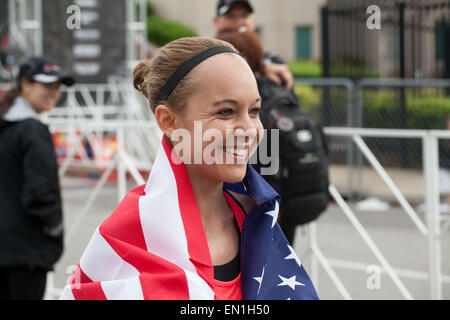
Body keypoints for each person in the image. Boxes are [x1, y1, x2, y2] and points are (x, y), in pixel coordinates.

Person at [60, 37, 318, 300]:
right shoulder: (125, 234)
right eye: (226, 112)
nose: (250, 130)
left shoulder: (257, 217)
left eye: (254, 110)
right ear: (168, 120)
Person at [0, 56, 74, 300]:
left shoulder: (8, 127)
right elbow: (41, 191)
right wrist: (54, 228)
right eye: (47, 85)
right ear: (25, 84)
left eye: (57, 86)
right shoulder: (32, 130)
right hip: (26, 249)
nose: (54, 92)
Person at [213, 0, 294, 91]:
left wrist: (260, 67)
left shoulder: (272, 60)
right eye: (230, 16)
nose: (239, 22)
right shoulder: (208, 60)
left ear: (253, 20)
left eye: (244, 15)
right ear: (216, 21)